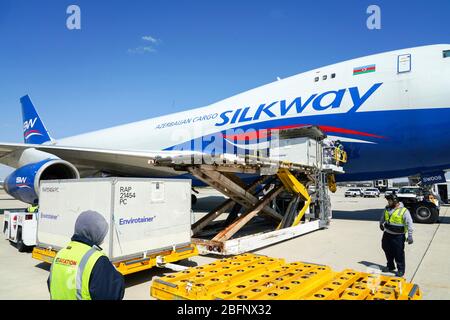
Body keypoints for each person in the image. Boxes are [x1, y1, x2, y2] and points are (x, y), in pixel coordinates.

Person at [47, 210, 125, 300]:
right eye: (102, 234)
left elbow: (51, 285)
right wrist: (116, 275)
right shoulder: (97, 260)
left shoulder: (60, 254)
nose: (103, 239)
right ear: (95, 233)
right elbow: (112, 294)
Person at [379, 194, 414, 277]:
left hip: (398, 236)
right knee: (386, 249)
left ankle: (401, 270)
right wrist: (381, 223)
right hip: (387, 234)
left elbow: (410, 223)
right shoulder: (387, 208)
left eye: (390, 201)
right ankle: (390, 266)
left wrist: (410, 235)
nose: (388, 202)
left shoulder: (404, 211)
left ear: (395, 201)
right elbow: (383, 216)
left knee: (398, 253)